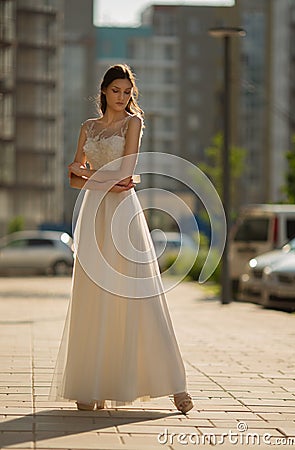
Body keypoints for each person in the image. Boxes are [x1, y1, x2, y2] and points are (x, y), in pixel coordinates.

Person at [49, 64, 193, 414]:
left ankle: (175, 386)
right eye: (116, 90)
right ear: (104, 91)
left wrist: (87, 173)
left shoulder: (134, 124)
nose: (122, 97)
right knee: (93, 294)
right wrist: (92, 177)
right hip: (93, 215)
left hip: (123, 215)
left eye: (128, 92)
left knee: (137, 293)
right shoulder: (87, 127)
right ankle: (92, 384)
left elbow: (125, 177)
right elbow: (72, 180)